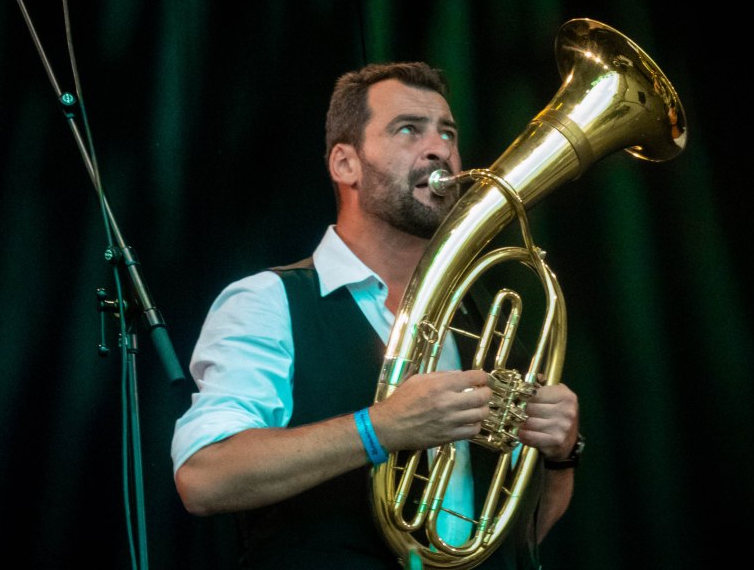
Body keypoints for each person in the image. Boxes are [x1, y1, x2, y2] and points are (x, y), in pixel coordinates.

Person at [171, 61, 581, 569]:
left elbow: (521, 537)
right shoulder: (266, 301)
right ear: (345, 164)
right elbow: (204, 478)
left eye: (447, 133)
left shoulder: (485, 322)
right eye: (408, 129)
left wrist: (561, 456)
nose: (439, 149)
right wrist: (380, 428)